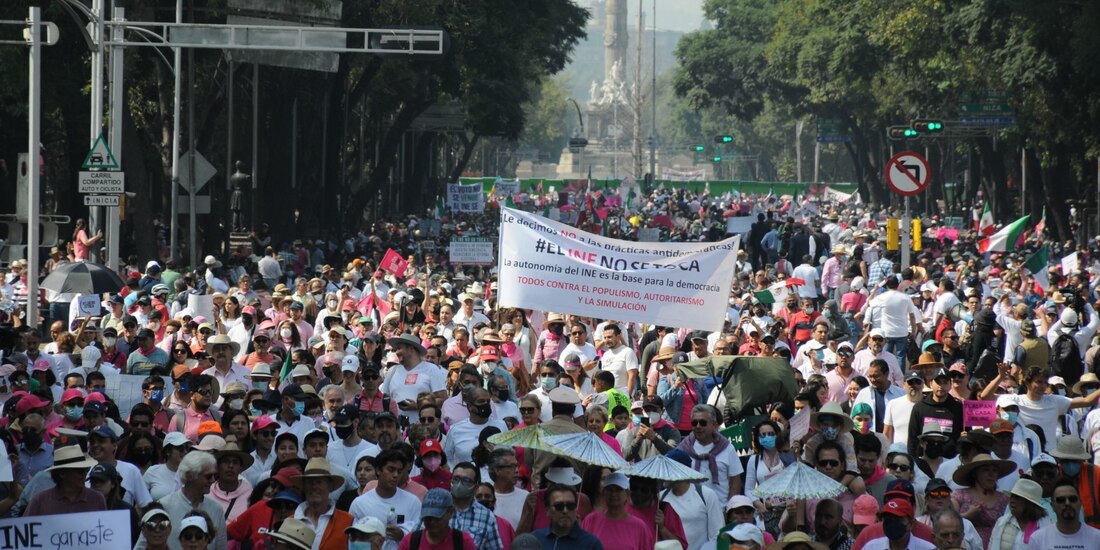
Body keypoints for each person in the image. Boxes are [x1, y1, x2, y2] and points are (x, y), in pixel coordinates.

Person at [155, 450, 228, 550]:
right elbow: (144, 545)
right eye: (208, 476)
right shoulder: (165, 506)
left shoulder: (216, 509)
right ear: (190, 476)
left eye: (215, 476)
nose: (212, 481)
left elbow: (221, 547)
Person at [349, 449, 421, 550]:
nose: (396, 475)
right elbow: (352, 543)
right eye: (391, 470)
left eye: (399, 471)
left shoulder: (413, 502)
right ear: (378, 470)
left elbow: (422, 537)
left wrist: (403, 534)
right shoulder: (359, 503)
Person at [676, 404, 743, 502]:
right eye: (694, 423)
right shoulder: (684, 448)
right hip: (691, 509)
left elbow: (735, 480)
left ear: (714, 425)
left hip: (721, 508)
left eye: (703, 423)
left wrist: (730, 507)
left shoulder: (727, 448)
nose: (698, 426)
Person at [661, 449, 723, 550]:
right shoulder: (660, 498)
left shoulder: (707, 495)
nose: (664, 471)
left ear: (681, 470)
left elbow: (717, 534)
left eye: (668, 467)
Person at [949, 454, 1013, 547]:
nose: (991, 474)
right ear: (975, 473)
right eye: (986, 470)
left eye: (994, 470)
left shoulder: (1004, 499)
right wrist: (967, 516)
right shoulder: (959, 495)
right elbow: (949, 519)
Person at [291, 458, 354, 550]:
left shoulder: (349, 521)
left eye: (319, 482)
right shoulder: (290, 522)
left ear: (330, 486)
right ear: (304, 487)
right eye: (310, 482)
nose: (314, 487)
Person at [24, 445, 107, 516]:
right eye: (80, 471)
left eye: (86, 470)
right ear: (62, 474)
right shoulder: (40, 501)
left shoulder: (97, 499)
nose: (84, 474)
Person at [580, 472, 654, 550]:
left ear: (627, 494)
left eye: (618, 490)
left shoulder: (640, 527)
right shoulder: (591, 520)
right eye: (610, 489)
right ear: (604, 493)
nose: (614, 494)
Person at [447, 462, 503, 550]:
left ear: (475, 487)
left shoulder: (487, 516)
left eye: (466, 481)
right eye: (456, 479)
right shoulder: (437, 508)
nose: (459, 484)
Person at [398, 487, 477, 549]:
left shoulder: (463, 542)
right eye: (428, 517)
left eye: (437, 517)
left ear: (451, 512)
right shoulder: (410, 541)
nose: (432, 522)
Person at [1028, 479, 1100, 547]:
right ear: (1052, 506)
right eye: (1061, 500)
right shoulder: (1038, 539)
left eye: (1072, 499)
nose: (1067, 503)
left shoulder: (1097, 538)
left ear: (1080, 502)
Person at [531, 485, 603, 549]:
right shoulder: (534, 539)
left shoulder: (591, 544)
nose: (565, 511)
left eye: (570, 506)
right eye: (559, 506)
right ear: (547, 511)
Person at [987, 478, 1051, 550]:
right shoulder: (1001, 523)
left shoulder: (1045, 528)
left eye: (1017, 498)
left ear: (1029, 503)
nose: (1012, 501)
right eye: (1012, 497)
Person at [858, 498, 935, 549]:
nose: (892, 524)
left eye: (898, 519)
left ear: (911, 524)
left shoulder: (927, 548)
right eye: (888, 519)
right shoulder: (871, 547)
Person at [488, 447, 527, 529]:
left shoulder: (526, 497)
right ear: (497, 470)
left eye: (517, 466)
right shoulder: (485, 496)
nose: (517, 470)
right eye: (512, 466)